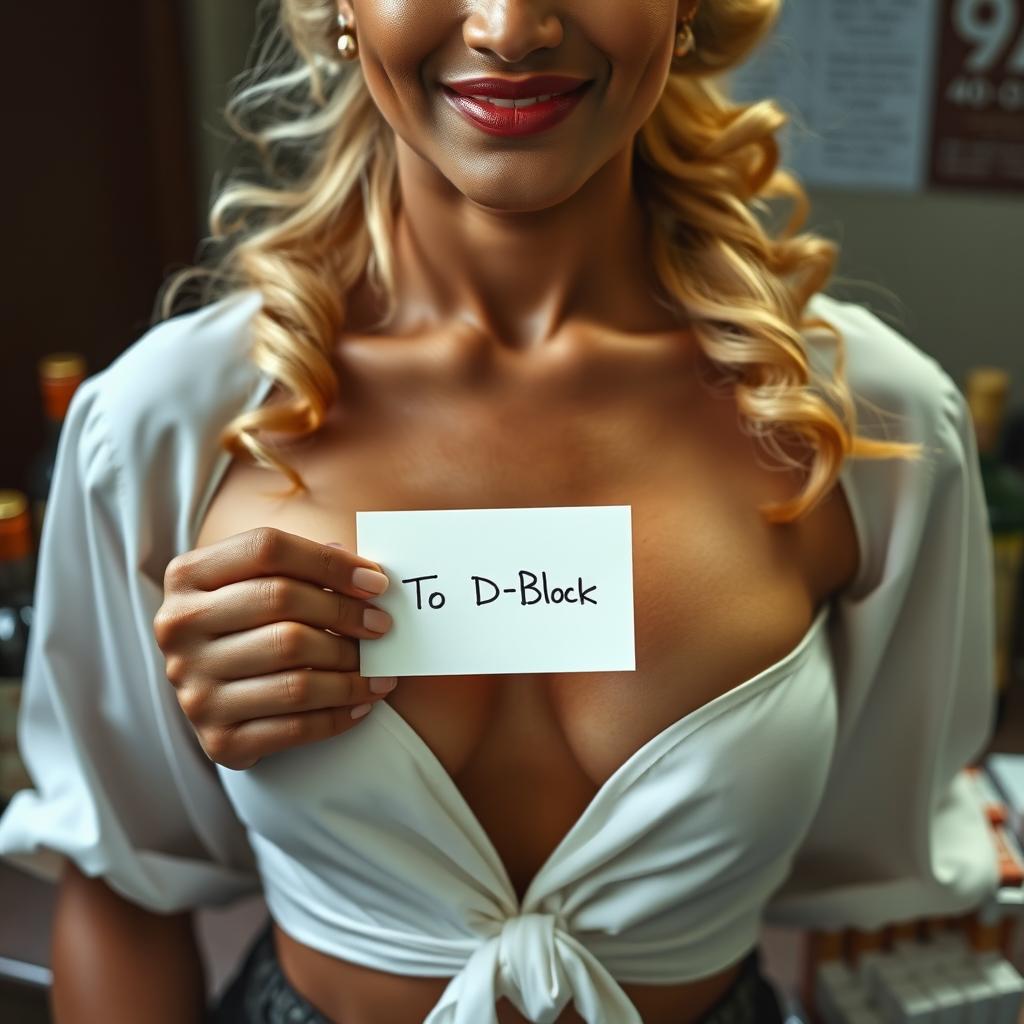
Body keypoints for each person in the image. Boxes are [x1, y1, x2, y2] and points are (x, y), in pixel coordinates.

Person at [0, 1, 1001, 1022]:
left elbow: (886, 893)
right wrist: (180, 728)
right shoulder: (157, 427)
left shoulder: (874, 428)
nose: (509, 28)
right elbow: (122, 883)